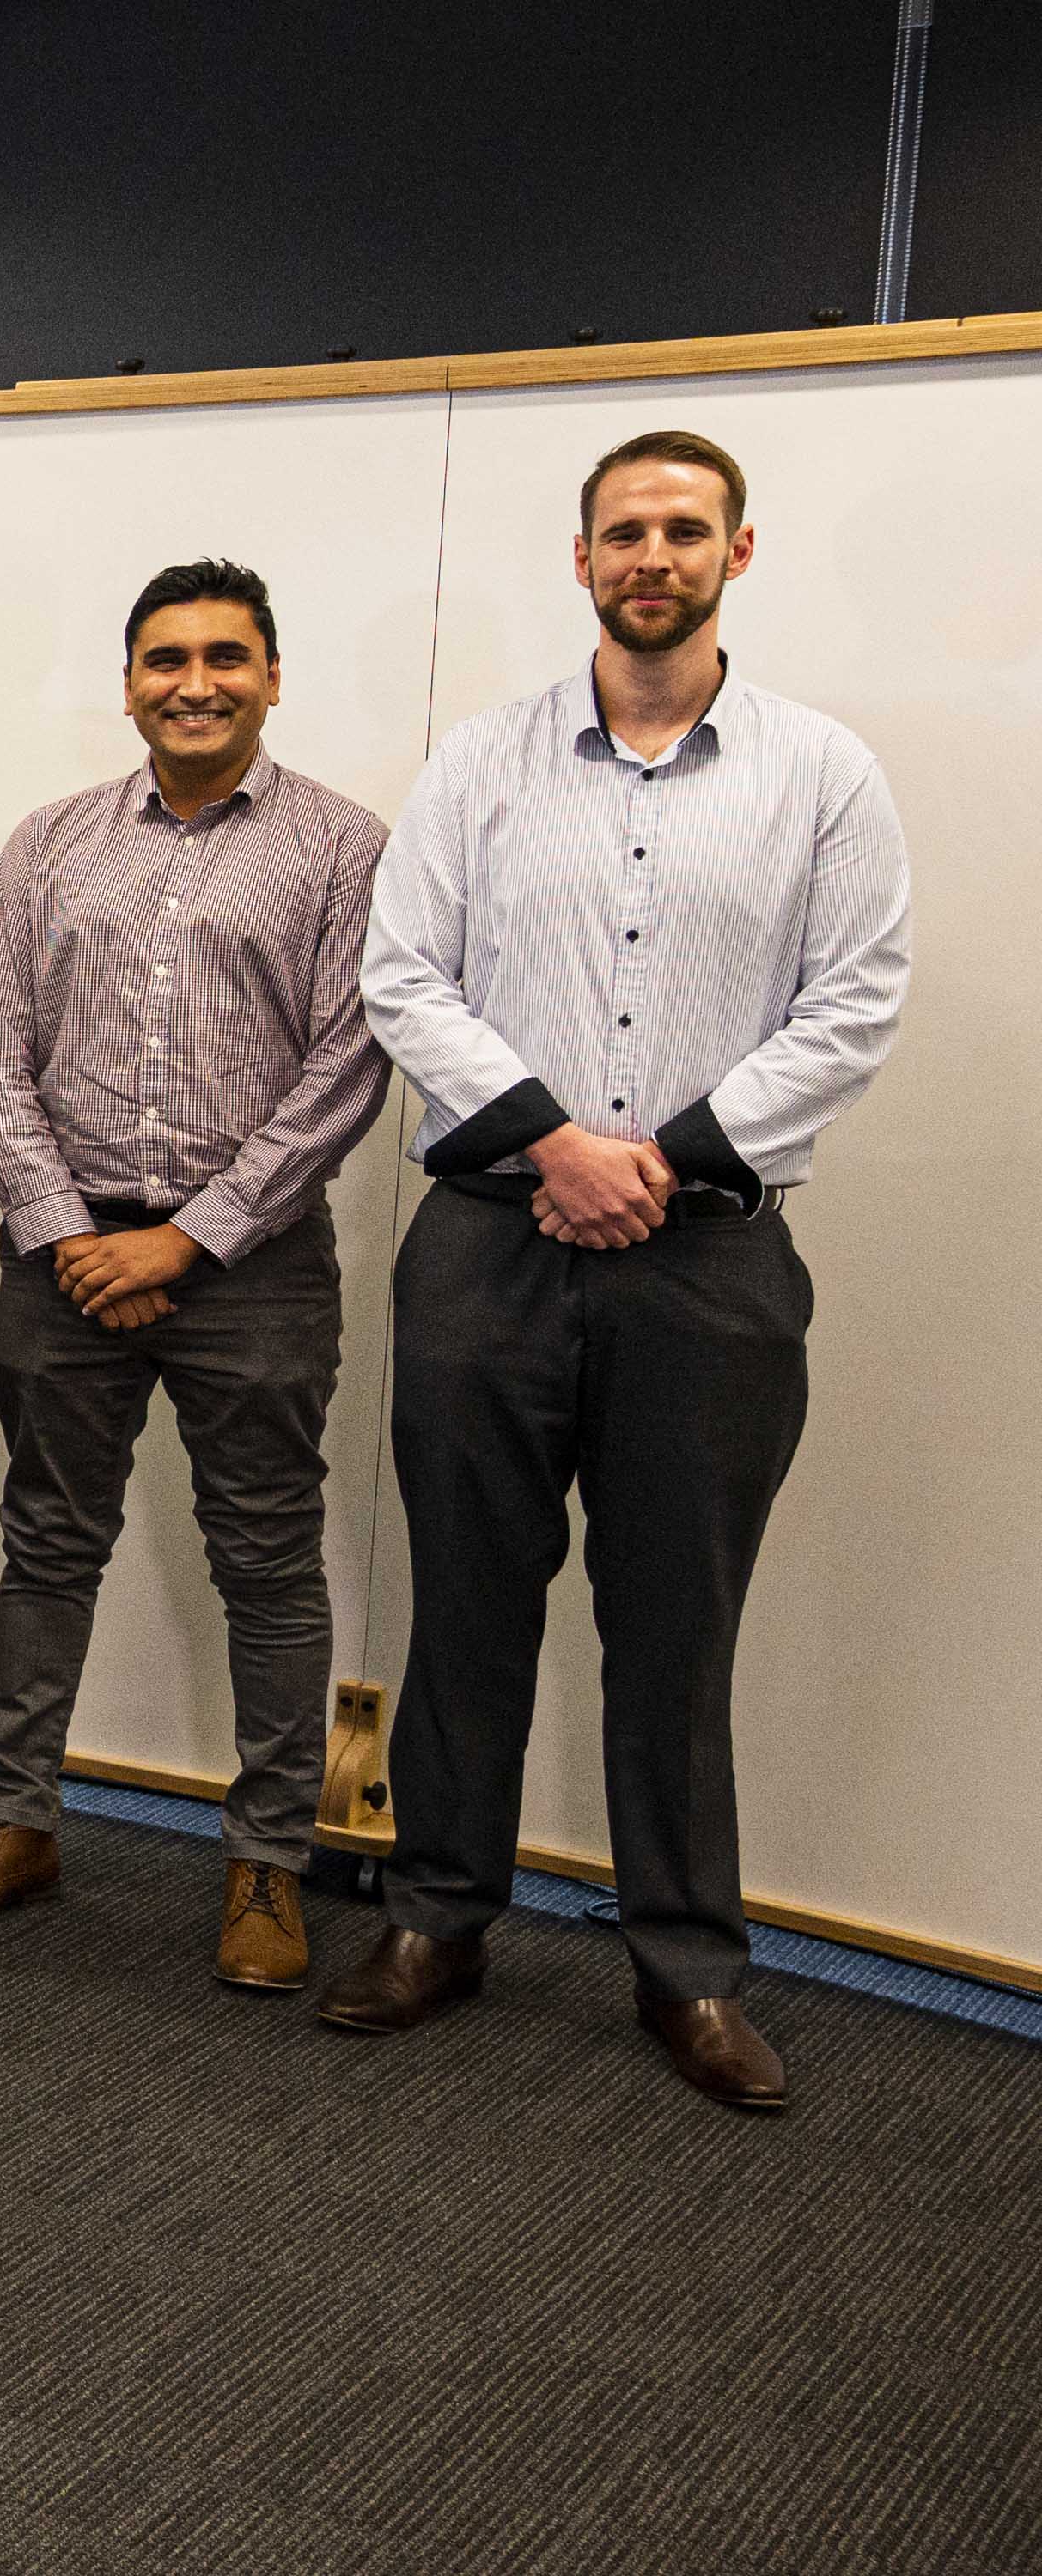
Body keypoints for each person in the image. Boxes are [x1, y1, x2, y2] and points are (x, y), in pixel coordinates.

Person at [333, 431, 911, 2111]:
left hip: (710, 1268)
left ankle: (686, 1970)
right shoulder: (481, 765)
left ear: (740, 552)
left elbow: (855, 1004)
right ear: (581, 559)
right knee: (467, 1610)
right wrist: (555, 1141)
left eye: (685, 529)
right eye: (623, 531)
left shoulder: (822, 775)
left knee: (679, 1626)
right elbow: (403, 974)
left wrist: (663, 1157)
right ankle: (438, 1918)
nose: (651, 554)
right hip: (487, 1253)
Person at [0, 561, 390, 1989]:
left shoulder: (341, 849)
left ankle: (267, 1865)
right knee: (47, 1541)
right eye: (162, 658)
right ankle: (13, 1825)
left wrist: (190, 1237)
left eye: (223, 657)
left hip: (253, 1267)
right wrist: (66, 1232)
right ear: (126, 682)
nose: (192, 682)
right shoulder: (47, 844)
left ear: (270, 676)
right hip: (61, 1258)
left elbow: (344, 1065)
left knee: (265, 1563)